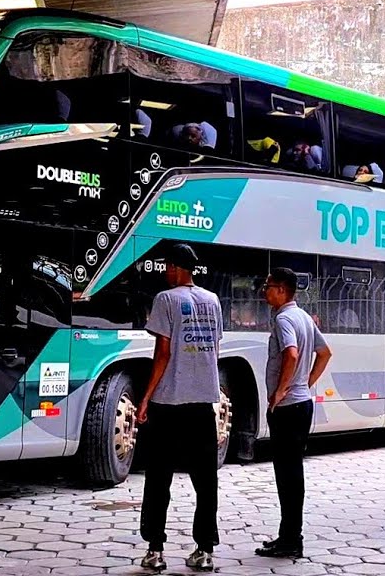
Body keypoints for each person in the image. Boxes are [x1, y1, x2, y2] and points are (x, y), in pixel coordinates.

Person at [137, 243, 223, 572]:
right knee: (206, 481)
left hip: (168, 403)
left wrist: (145, 397)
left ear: (175, 268)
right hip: (202, 403)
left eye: (166, 267)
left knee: (159, 478)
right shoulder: (211, 300)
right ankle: (204, 550)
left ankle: (155, 551)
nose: (165, 272)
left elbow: (163, 352)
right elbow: (214, 348)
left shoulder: (166, 299)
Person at [255, 267, 332, 560]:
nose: (265, 291)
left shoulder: (285, 319)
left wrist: (281, 391)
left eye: (268, 286)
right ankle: (289, 536)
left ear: (282, 290)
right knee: (292, 473)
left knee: (287, 476)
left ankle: (290, 540)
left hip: (288, 408)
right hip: (303, 404)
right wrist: (305, 384)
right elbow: (325, 353)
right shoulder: (304, 317)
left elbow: (291, 353)